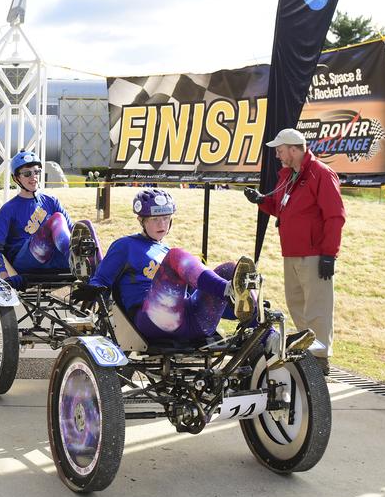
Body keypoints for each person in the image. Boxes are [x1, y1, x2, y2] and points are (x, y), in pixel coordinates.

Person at [73, 188, 255, 341]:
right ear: (141, 220)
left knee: (229, 269)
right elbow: (101, 279)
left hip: (192, 321)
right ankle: (229, 289)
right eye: (155, 219)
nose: (162, 224)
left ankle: (256, 317)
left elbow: (197, 292)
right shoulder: (125, 246)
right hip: (153, 319)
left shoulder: (165, 251)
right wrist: (92, 290)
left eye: (166, 218)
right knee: (176, 255)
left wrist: (236, 309)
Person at [244, 127, 346, 372]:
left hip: (314, 254)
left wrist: (329, 254)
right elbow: (282, 209)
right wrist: (262, 201)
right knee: (296, 303)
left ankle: (319, 358)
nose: (277, 155)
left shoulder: (321, 173)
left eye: (280, 150)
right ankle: (307, 352)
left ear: (293, 149)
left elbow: (335, 216)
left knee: (317, 307)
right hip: (290, 251)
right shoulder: (288, 176)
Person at [0, 151, 72, 285]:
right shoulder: (8, 209)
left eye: (36, 172)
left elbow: (72, 233)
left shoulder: (52, 202)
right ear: (16, 178)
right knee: (57, 218)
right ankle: (74, 258)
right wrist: (5, 277)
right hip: (26, 262)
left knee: (85, 227)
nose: (33, 177)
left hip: (55, 259)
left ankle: (98, 283)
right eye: (27, 173)